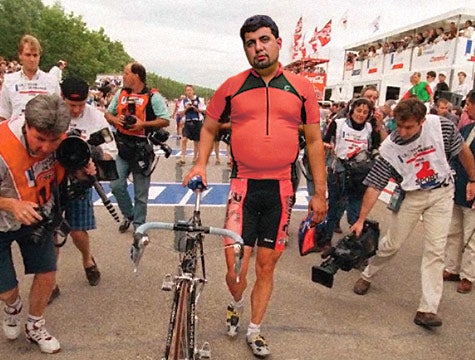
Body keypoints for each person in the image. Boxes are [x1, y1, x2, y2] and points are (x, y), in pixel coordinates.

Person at [182, 15, 327, 358]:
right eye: (250, 42)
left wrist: (320, 193)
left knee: (266, 265)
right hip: (242, 187)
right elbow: (208, 127)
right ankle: (235, 302)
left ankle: (255, 329)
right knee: (235, 268)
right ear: (245, 48)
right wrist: (200, 162)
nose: (258, 48)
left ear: (277, 42)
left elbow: (316, 141)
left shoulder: (301, 87)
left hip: (280, 188)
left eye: (264, 40)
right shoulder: (231, 86)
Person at [350, 98, 475, 328]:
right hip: (411, 195)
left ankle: (427, 309)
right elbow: (376, 184)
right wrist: (360, 219)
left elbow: (463, 151)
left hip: (441, 193)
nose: (403, 132)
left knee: (435, 251)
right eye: (399, 126)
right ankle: (367, 274)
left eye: (409, 127)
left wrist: (473, 179)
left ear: (422, 121)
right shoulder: (390, 147)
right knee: (392, 244)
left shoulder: (442, 127)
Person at [0, 94, 70, 353]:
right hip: (2, 220)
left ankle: (35, 324)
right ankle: (12, 305)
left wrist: (84, 168)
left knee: (47, 272)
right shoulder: (2, 145)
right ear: (26, 125)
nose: (46, 148)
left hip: (38, 215)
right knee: (6, 290)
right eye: (39, 139)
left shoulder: (62, 140)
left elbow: (70, 170)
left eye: (53, 140)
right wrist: (11, 204)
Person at [49, 76, 118, 301]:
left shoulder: (96, 117)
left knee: (78, 230)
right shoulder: (52, 115)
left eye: (81, 104)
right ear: (62, 98)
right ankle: (49, 281)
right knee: (54, 232)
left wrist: (91, 153)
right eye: (72, 105)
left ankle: (87, 259)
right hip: (52, 180)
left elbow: (111, 151)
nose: (77, 110)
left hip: (81, 180)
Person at [105, 62, 170, 233]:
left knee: (141, 193)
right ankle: (130, 214)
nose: (123, 76)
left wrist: (143, 124)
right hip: (123, 146)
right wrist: (115, 120)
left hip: (142, 148)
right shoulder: (121, 93)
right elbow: (108, 113)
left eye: (126, 73)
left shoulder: (153, 96)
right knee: (116, 185)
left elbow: (165, 119)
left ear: (136, 76)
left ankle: (139, 226)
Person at [320, 97, 379, 248]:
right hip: (339, 170)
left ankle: (356, 245)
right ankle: (327, 239)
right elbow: (325, 140)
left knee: (355, 209)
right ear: (352, 110)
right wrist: (328, 146)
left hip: (359, 173)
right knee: (334, 206)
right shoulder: (338, 123)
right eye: (359, 111)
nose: (361, 114)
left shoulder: (370, 128)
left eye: (365, 112)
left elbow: (375, 147)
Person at [444, 90, 475, 294]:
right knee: (454, 231)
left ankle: (468, 275)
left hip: (473, 190)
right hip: (457, 187)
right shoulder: (467, 128)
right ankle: (452, 267)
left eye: (469, 104)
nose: (466, 108)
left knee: (471, 238)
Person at [0, 35, 60, 121]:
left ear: (40, 56)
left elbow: (58, 114)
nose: (32, 59)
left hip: (43, 132)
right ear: (20, 55)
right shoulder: (9, 80)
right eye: (28, 55)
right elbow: (3, 115)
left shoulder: (51, 81)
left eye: (35, 55)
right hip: (16, 132)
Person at [177, 85, 206, 165]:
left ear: (193, 91)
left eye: (190, 90)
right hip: (188, 122)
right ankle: (182, 157)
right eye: (187, 90)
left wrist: (196, 109)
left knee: (196, 141)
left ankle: (195, 157)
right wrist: (187, 108)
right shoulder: (184, 101)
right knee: (184, 139)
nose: (189, 92)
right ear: (185, 92)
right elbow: (180, 113)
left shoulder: (199, 100)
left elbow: (204, 111)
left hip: (197, 122)